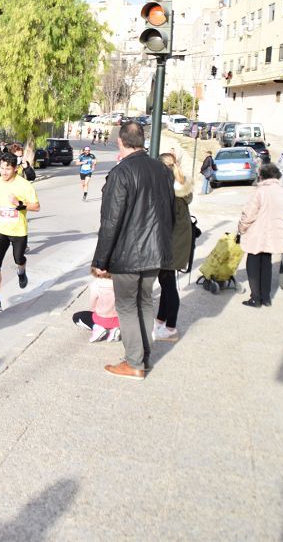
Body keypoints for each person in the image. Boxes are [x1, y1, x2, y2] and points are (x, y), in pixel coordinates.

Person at [91, 122, 175, 380]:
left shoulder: (121, 173)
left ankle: (134, 361)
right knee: (146, 302)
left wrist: (100, 260)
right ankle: (143, 356)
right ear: (142, 140)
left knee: (127, 306)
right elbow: (169, 210)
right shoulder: (162, 169)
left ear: (120, 141)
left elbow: (110, 220)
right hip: (155, 251)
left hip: (128, 253)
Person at [0, 153, 40, 312]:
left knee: (19, 258)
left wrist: (20, 204)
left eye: (7, 169)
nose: (3, 172)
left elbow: (36, 206)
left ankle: (21, 271)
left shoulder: (25, 185)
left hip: (18, 230)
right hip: (0, 228)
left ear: (15, 169)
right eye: (1, 168)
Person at [153, 152, 193, 343]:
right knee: (166, 284)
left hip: (171, 245)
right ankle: (162, 322)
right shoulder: (180, 187)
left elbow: (164, 222)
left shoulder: (171, 192)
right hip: (177, 243)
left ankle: (170, 328)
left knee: (168, 286)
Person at [237, 163, 283, 307]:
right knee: (267, 264)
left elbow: (249, 214)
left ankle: (255, 298)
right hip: (273, 233)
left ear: (263, 175)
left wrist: (241, 228)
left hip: (257, 233)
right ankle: (266, 298)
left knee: (252, 264)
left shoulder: (260, 191)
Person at [71, 271, 121, 343]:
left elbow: (93, 303)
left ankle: (97, 328)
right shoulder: (123, 282)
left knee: (77, 317)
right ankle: (114, 330)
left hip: (101, 319)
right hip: (120, 319)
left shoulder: (96, 284)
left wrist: (94, 310)